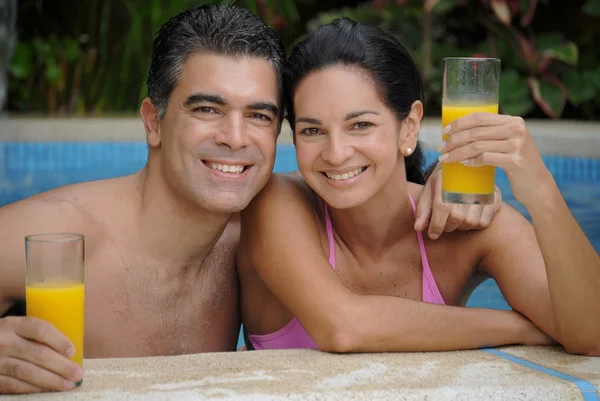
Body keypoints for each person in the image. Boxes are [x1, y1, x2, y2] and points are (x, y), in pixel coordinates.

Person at [0, 4, 500, 395]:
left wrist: (440, 178)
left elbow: (368, 196)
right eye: (207, 108)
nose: (236, 137)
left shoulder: (257, 238)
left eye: (260, 116)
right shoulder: (64, 234)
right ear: (153, 120)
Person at [238, 18, 600, 355]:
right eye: (312, 130)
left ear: (409, 126)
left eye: (360, 125)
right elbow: (343, 328)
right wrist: (520, 326)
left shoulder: (465, 221)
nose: (336, 153)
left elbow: (591, 334)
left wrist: (541, 191)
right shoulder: (277, 203)